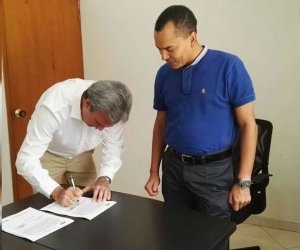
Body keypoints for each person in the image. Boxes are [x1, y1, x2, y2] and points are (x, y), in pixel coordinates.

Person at [144, 5, 257, 249]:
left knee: (212, 240)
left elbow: (249, 125)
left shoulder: (229, 66)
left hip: (214, 172)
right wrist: (154, 171)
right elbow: (161, 123)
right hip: (173, 169)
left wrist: (243, 182)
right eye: (159, 49)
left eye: (169, 48)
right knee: (176, 235)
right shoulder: (164, 75)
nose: (163, 56)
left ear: (192, 37)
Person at [16, 78, 132, 207]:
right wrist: (56, 191)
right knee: (47, 205)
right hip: (50, 155)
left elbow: (114, 147)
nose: (100, 129)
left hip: (83, 155)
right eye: (98, 123)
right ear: (87, 104)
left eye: (106, 127)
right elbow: (26, 159)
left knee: (92, 201)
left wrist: (104, 179)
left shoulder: (115, 111)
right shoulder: (54, 105)